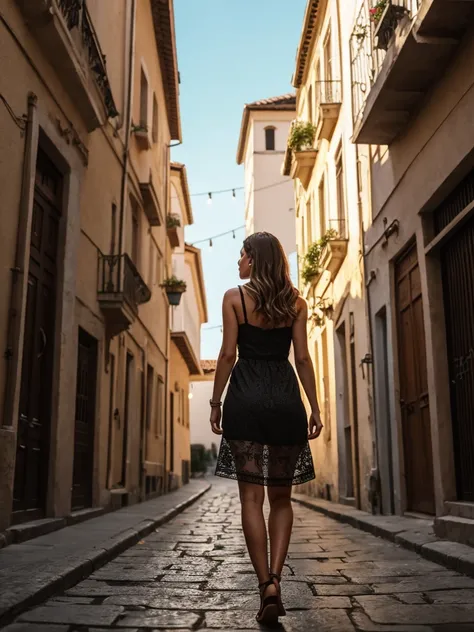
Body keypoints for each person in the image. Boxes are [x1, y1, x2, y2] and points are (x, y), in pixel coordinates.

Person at [210, 232, 323, 625]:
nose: (238, 262)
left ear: (254, 260)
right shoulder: (296, 304)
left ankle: (264, 587)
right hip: (285, 400)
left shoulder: (234, 298)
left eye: (242, 255)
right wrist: (315, 406)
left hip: (243, 398)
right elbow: (304, 359)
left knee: (250, 500)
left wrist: (215, 401)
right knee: (281, 500)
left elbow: (227, 354)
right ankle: (277, 577)